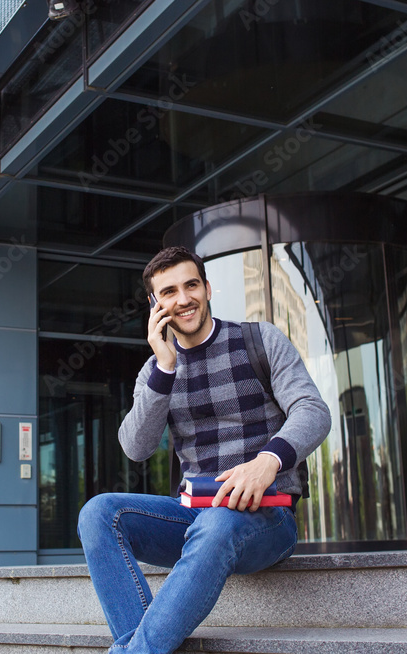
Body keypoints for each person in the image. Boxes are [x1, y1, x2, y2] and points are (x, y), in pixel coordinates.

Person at [77, 246, 331, 654]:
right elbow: (135, 448)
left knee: (218, 523)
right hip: (194, 515)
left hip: (267, 519)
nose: (183, 299)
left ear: (207, 287)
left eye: (191, 285)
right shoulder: (156, 369)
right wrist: (164, 369)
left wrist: (269, 460)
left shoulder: (259, 340)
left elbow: (313, 410)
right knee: (98, 514)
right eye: (169, 291)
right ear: (154, 304)